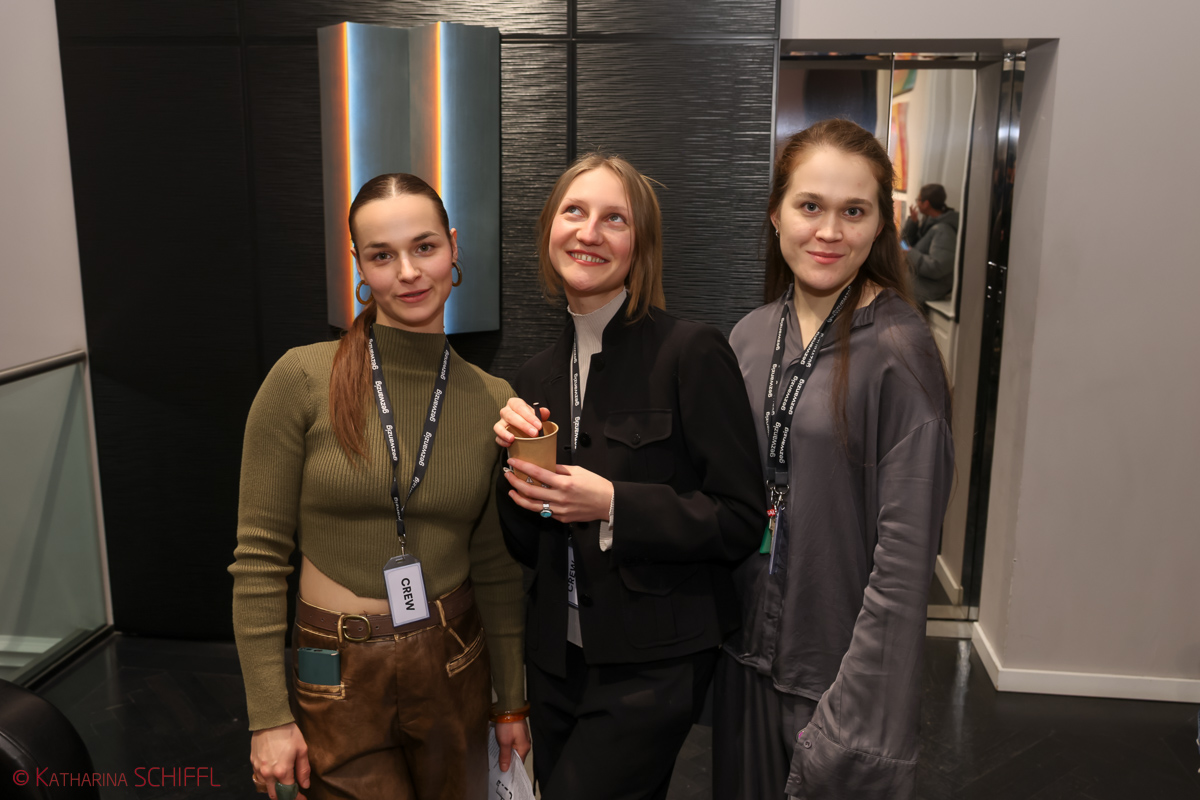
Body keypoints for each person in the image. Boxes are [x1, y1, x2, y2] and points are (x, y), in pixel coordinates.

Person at [230, 173, 529, 800]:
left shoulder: (491, 399)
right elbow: (258, 559)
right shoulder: (301, 379)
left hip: (454, 657)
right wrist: (268, 717)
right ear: (360, 266)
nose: (408, 272)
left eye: (425, 247)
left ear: (453, 248)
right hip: (336, 669)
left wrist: (511, 702)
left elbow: (496, 569)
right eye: (382, 255)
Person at [492, 153, 765, 800]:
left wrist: (614, 503)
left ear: (640, 246)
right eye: (574, 212)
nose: (589, 232)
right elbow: (526, 544)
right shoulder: (532, 376)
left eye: (614, 219)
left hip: (653, 667)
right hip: (555, 663)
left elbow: (739, 519)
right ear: (549, 230)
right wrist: (507, 467)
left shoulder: (691, 352)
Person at [716, 119, 954, 800]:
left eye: (854, 212)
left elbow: (905, 562)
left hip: (833, 676)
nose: (828, 231)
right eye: (810, 206)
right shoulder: (749, 336)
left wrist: (857, 707)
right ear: (776, 214)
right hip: (744, 655)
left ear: (880, 226)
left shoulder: (901, 353)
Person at [901, 182, 960, 305]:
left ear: (926, 204)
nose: (916, 203)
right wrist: (912, 223)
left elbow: (937, 267)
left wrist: (910, 253)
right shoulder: (929, 223)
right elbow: (902, 244)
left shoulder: (944, 230)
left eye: (918, 200)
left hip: (926, 290)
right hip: (916, 284)